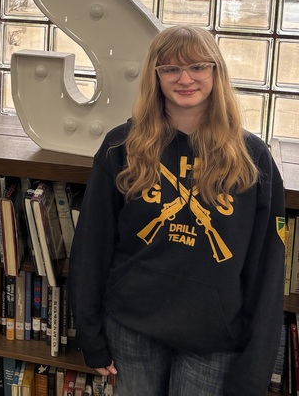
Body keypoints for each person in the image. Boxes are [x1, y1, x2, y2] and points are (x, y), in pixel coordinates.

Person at [68, 25, 286, 395]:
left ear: (216, 72)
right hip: (132, 326)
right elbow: (92, 244)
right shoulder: (121, 146)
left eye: (198, 67)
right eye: (170, 69)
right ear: (156, 75)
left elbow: (268, 268)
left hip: (215, 336)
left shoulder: (253, 159)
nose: (185, 79)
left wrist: (257, 363)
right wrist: (88, 332)